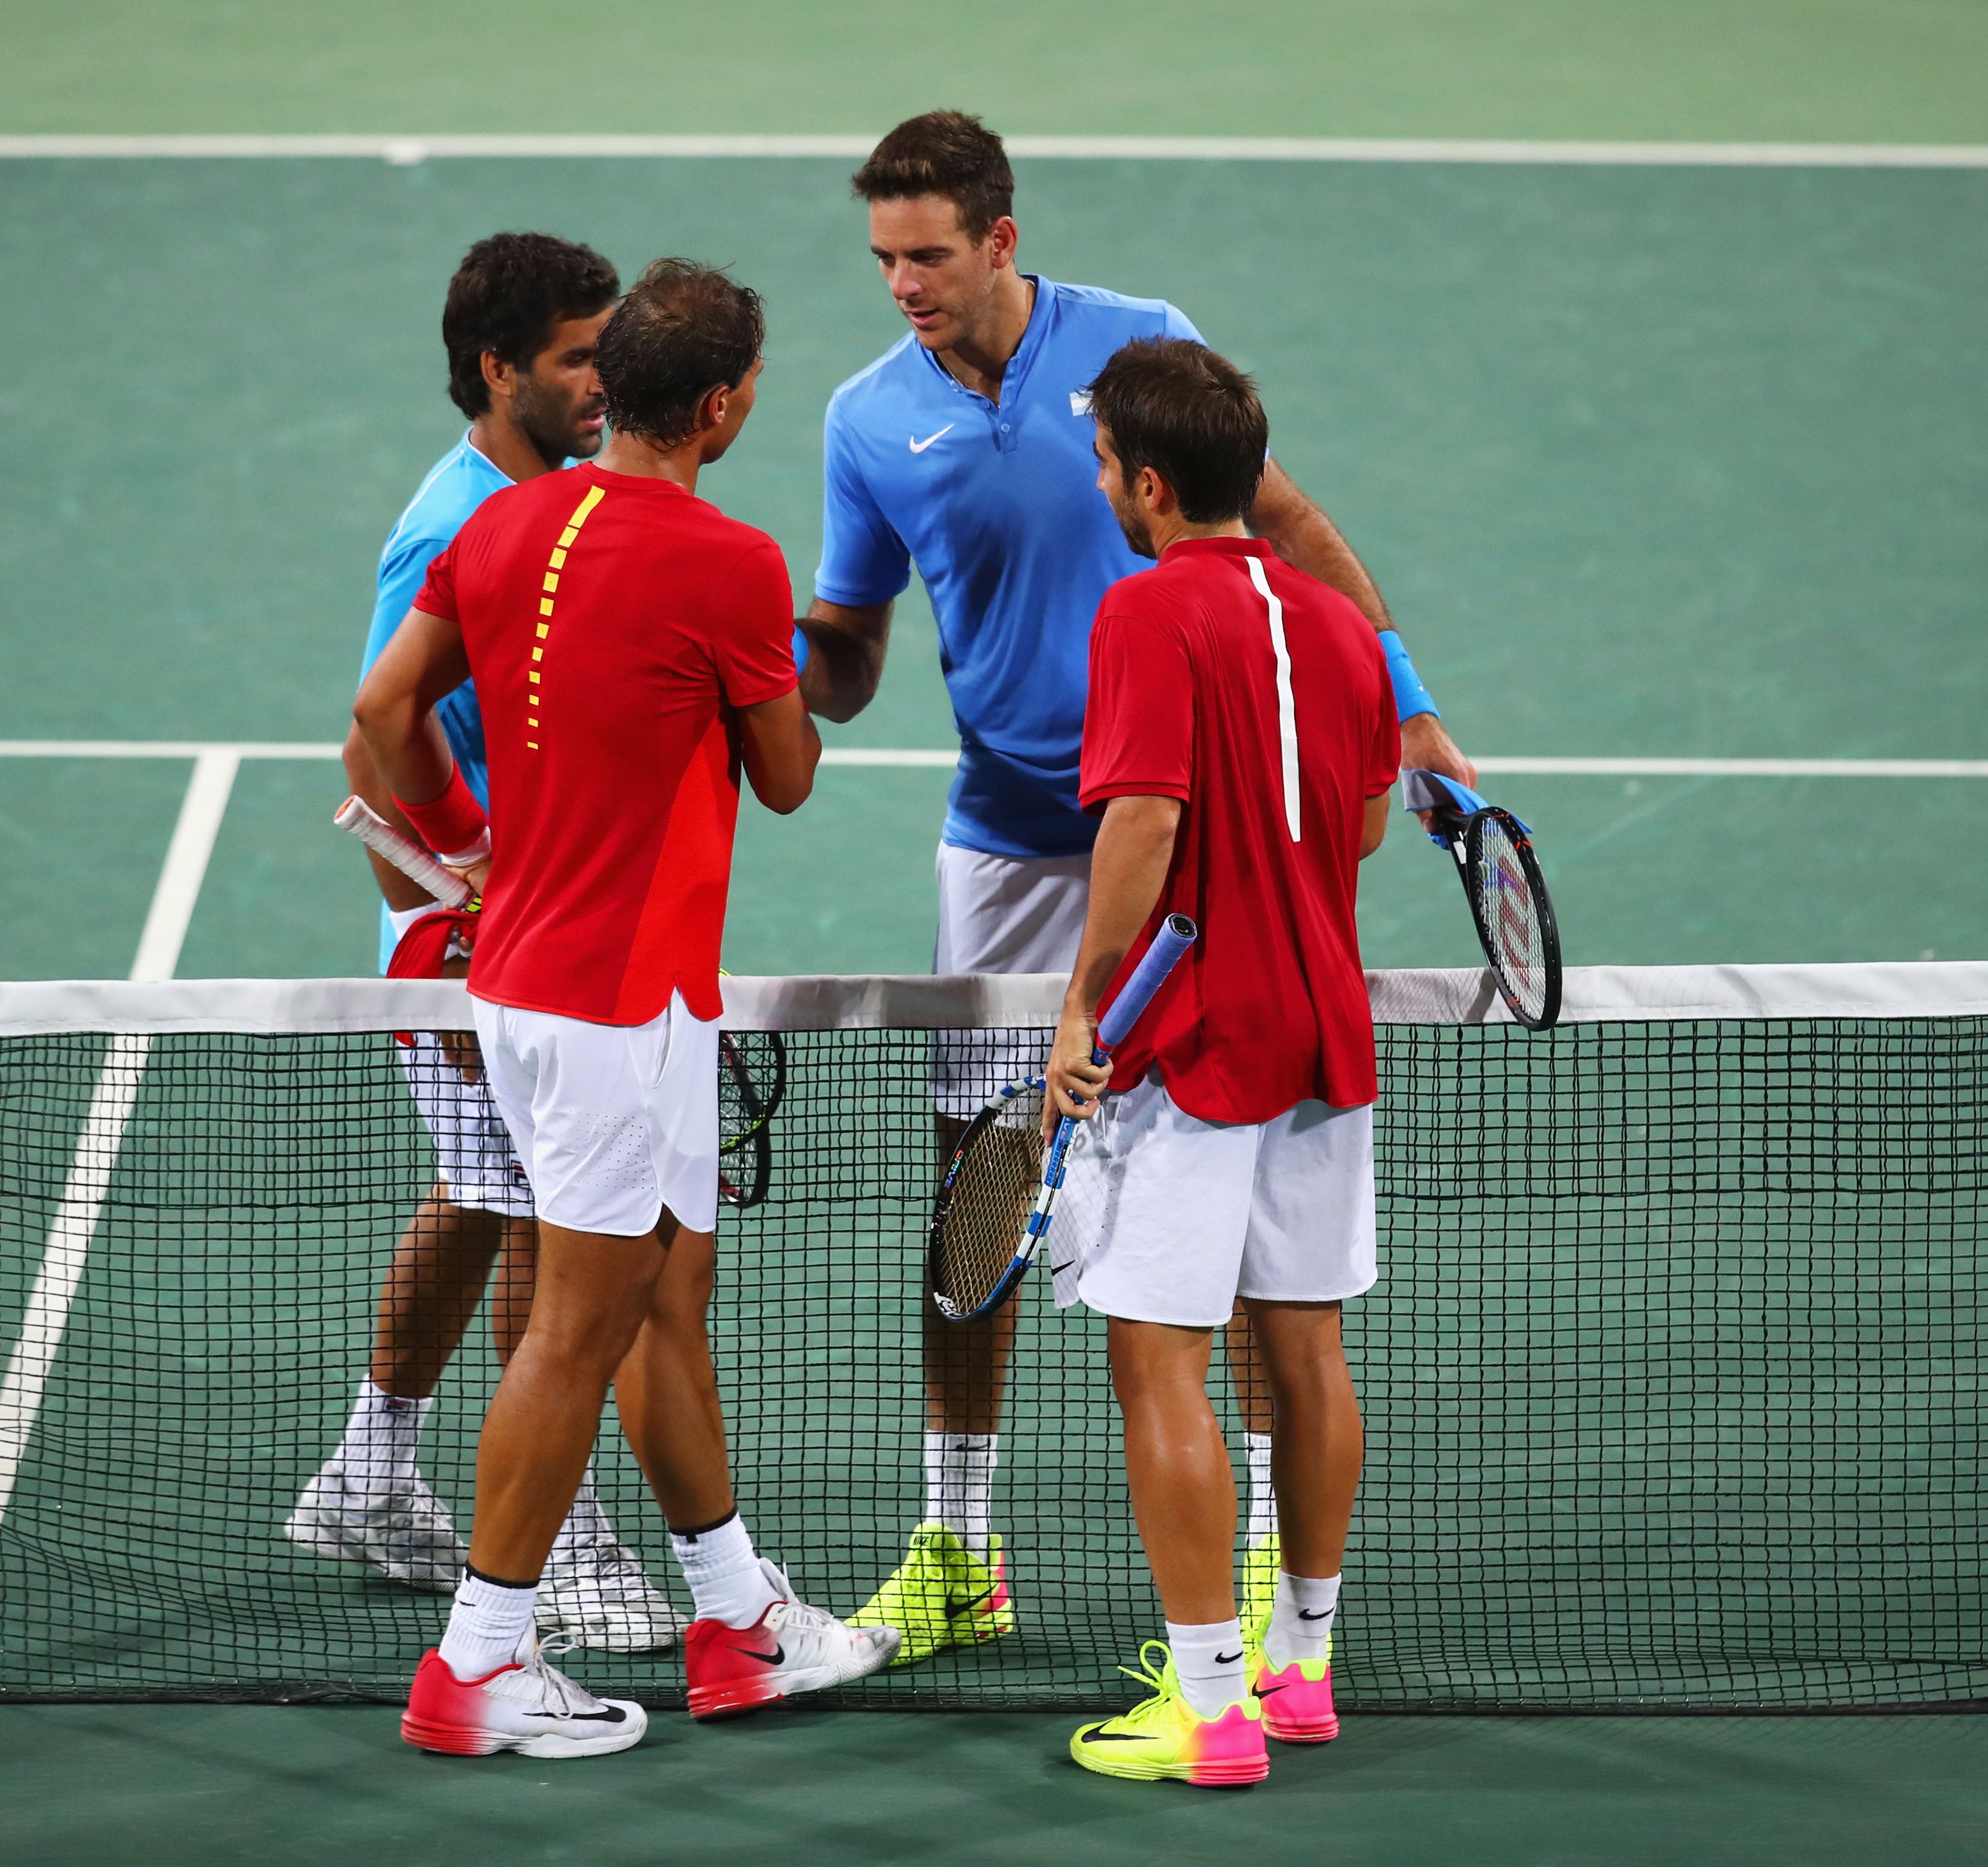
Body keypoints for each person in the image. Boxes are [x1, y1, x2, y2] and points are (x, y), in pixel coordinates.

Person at [796, 110, 1471, 1662]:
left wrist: (1406, 696)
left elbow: (1283, 528)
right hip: (1008, 838)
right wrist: (758, 658)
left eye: (930, 255)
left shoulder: (1140, 350)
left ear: (1001, 242)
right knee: (977, 1183)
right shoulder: (863, 420)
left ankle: (1251, 1561)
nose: (903, 282)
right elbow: (849, 653)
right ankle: (959, 1545)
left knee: (1225, 1185)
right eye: (884, 258)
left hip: (1186, 830)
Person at [356, 260, 899, 1758]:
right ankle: (475, 1664)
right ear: (720, 405)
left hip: (540, 979)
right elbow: (786, 777)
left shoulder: (502, 522)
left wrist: (466, 849)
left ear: (612, 387)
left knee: (664, 1303)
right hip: (614, 1012)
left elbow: (380, 716)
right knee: (578, 1330)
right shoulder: (726, 562)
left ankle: (738, 1622)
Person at [286, 232, 677, 1653]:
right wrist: (474, 870)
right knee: (547, 1218)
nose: (602, 378)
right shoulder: (452, 521)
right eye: (578, 355)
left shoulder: (562, 494)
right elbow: (373, 731)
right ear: (500, 369)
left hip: (535, 924)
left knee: (485, 1184)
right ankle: (560, 1545)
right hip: (470, 939)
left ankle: (369, 1475)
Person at [1045, 337, 1394, 1786]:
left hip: (1191, 1048)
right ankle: (1301, 1673)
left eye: (1113, 471)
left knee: (1162, 1367)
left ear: (1145, 482)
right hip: (1323, 1032)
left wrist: (1080, 1008)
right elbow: (1366, 830)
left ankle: (1210, 1707)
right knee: (1304, 1351)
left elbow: (1143, 824)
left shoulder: (1146, 610)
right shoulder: (1336, 620)